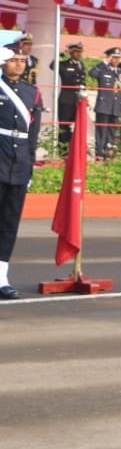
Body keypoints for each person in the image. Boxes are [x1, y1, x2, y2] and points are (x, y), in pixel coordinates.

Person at [0, 46, 41, 299]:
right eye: (13, 60)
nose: (18, 64)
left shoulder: (32, 92)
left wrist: (30, 163)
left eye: (22, 60)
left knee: (9, 223)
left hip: (19, 164)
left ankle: (1, 276)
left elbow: (33, 135)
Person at [88, 47, 121, 159]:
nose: (117, 60)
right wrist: (104, 62)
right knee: (101, 130)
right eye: (114, 58)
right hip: (104, 105)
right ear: (109, 58)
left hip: (115, 106)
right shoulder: (103, 69)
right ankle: (99, 152)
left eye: (118, 58)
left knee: (111, 130)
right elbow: (92, 73)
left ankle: (109, 151)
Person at [54, 41, 86, 145]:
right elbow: (52, 66)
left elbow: (82, 82)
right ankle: (63, 148)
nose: (79, 54)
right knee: (64, 125)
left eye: (80, 52)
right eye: (76, 52)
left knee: (76, 125)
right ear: (71, 53)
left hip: (78, 100)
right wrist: (59, 55)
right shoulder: (64, 64)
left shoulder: (81, 65)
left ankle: (72, 146)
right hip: (66, 99)